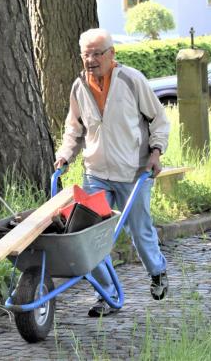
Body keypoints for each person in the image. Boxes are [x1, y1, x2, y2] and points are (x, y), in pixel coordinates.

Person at [54, 28, 171, 317]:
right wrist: (65, 154)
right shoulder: (79, 86)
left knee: (139, 231)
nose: (91, 60)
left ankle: (157, 270)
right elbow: (74, 129)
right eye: (86, 54)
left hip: (133, 172)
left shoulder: (132, 80)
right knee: (89, 236)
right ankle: (106, 294)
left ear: (111, 54)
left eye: (97, 54)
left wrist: (156, 152)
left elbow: (159, 119)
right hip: (95, 173)